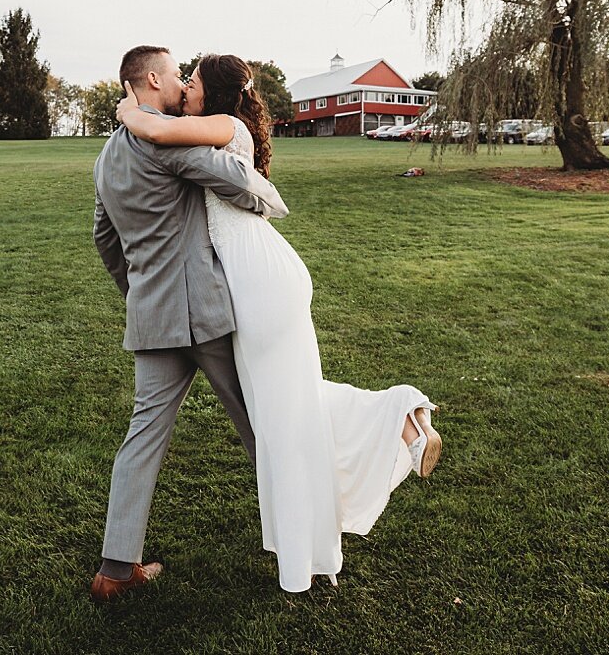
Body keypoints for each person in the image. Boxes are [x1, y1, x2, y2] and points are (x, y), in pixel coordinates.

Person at [114, 53, 441, 594]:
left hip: (258, 282)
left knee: (281, 416)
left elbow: (151, 126)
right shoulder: (211, 129)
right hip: (257, 277)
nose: (185, 86)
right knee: (288, 405)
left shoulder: (223, 126)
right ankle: (398, 421)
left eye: (192, 80)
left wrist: (129, 108)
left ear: (213, 92)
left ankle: (391, 423)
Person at [89, 45, 291, 603]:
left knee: (142, 438)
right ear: (153, 78)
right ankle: (298, 537)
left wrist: (140, 294)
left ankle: (114, 569)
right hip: (203, 314)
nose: (182, 83)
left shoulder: (107, 155)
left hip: (152, 318)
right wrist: (269, 202)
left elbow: (105, 240)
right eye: (177, 74)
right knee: (259, 426)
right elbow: (237, 177)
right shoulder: (161, 139)